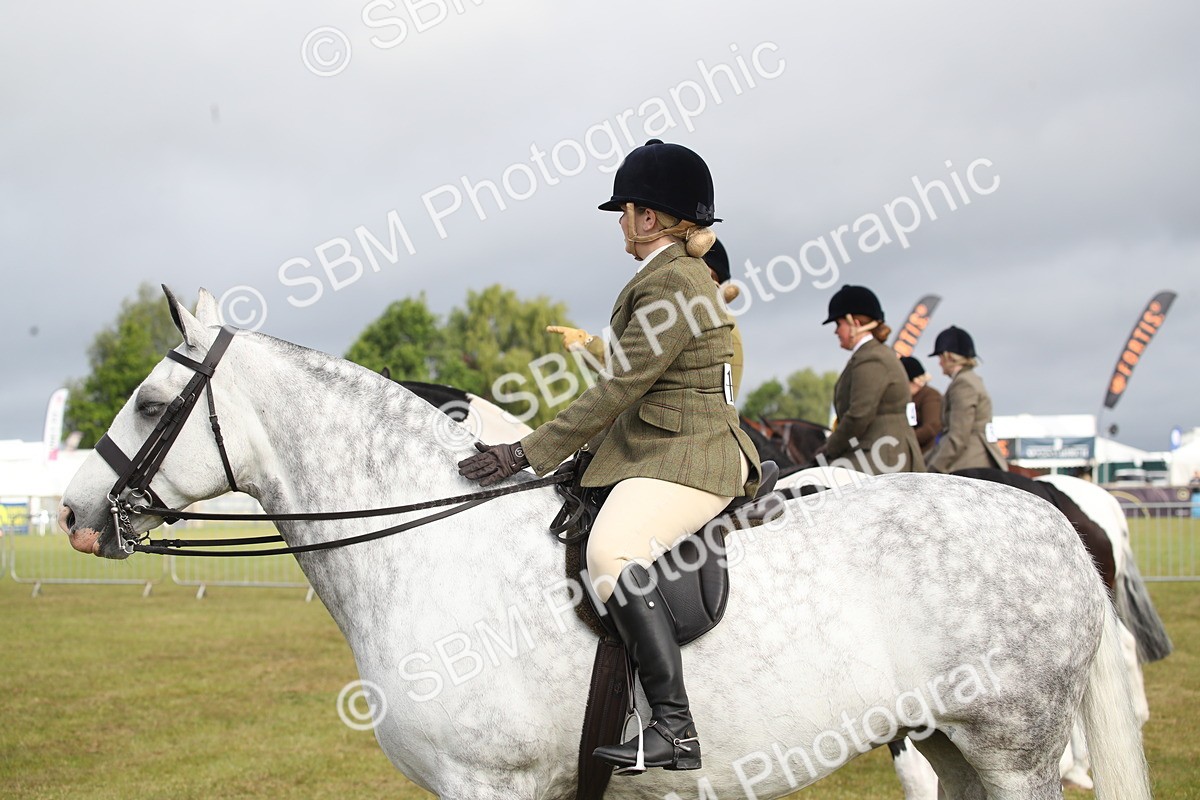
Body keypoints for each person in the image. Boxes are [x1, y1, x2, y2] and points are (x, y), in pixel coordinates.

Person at [459, 139, 761, 774]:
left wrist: (525, 452)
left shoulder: (674, 282)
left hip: (694, 453)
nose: (620, 222)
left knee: (609, 552)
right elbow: (636, 391)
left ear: (648, 216)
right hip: (660, 443)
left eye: (624, 210)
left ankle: (673, 728)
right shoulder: (667, 274)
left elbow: (620, 387)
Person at [817, 286, 925, 474]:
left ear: (855, 323)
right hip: (878, 448)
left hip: (884, 454)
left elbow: (859, 414)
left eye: (838, 324)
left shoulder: (871, 357)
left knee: (820, 482)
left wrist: (829, 448)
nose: (836, 332)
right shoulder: (868, 354)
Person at [924, 325, 1008, 472]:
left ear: (948, 356)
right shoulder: (970, 379)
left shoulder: (963, 384)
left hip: (970, 461)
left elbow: (958, 435)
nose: (939, 363)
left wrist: (933, 469)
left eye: (940, 357)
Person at [900, 355, 942, 458]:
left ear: (914, 381)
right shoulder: (907, 398)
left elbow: (932, 427)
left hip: (925, 455)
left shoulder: (930, 395)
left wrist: (902, 440)